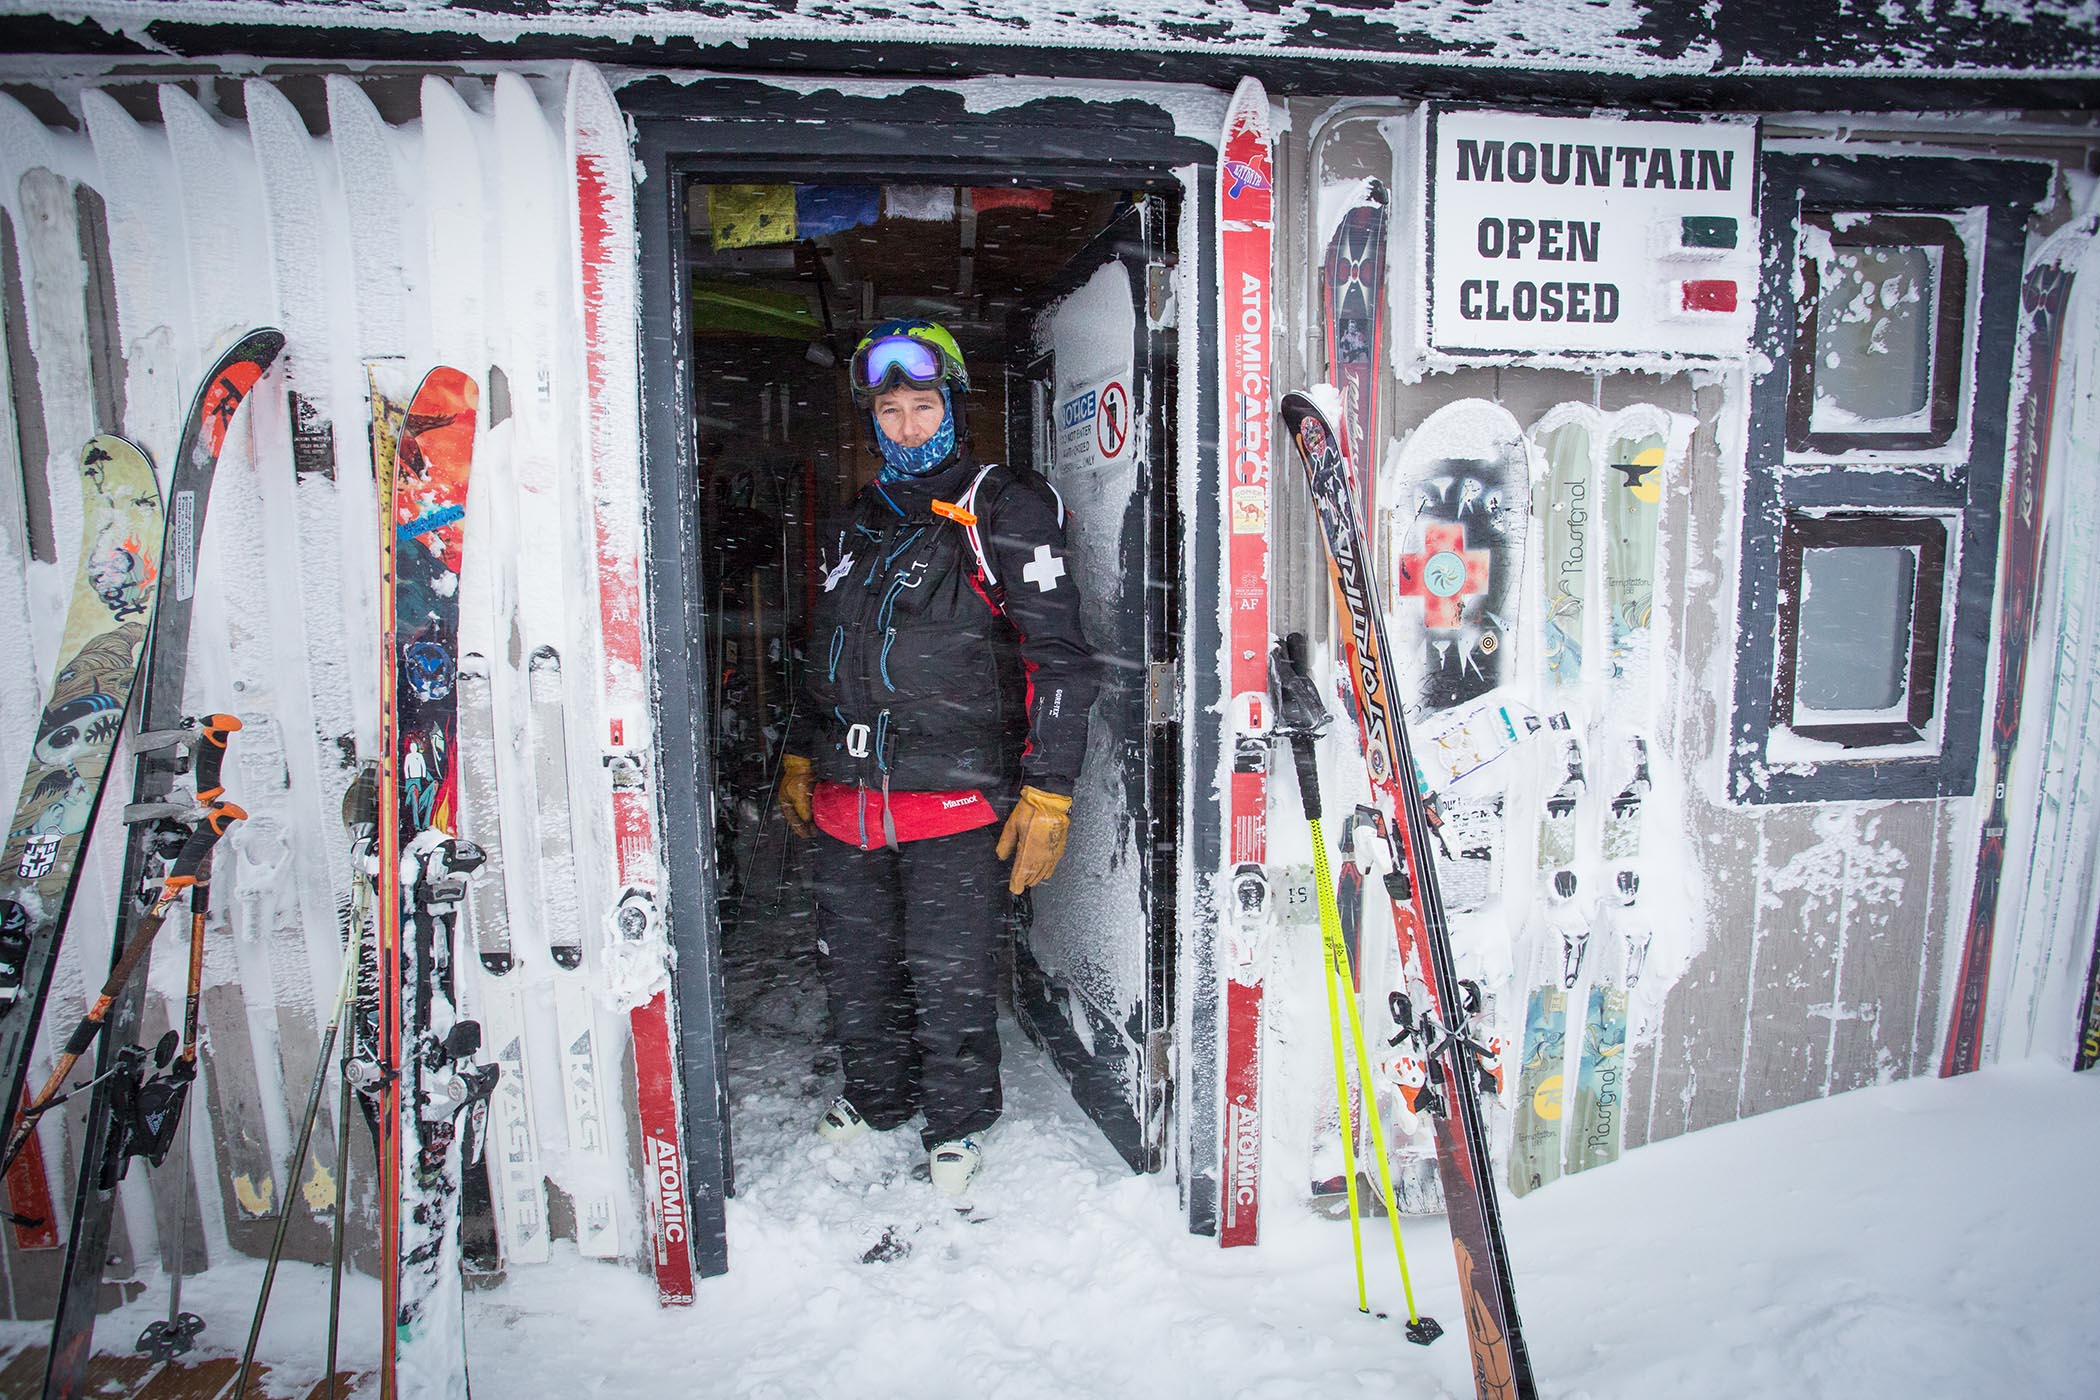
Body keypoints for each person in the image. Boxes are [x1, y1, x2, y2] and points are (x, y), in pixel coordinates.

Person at [776, 318, 1097, 1197]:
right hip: (850, 796)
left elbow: (1060, 657)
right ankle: (878, 1095)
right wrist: (802, 753)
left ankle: (957, 1121)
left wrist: (1050, 790)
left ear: (953, 407)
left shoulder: (1004, 507)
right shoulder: (860, 520)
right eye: (892, 411)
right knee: (857, 965)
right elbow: (825, 648)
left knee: (948, 971)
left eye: (924, 406)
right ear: (872, 420)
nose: (908, 425)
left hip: (953, 798)